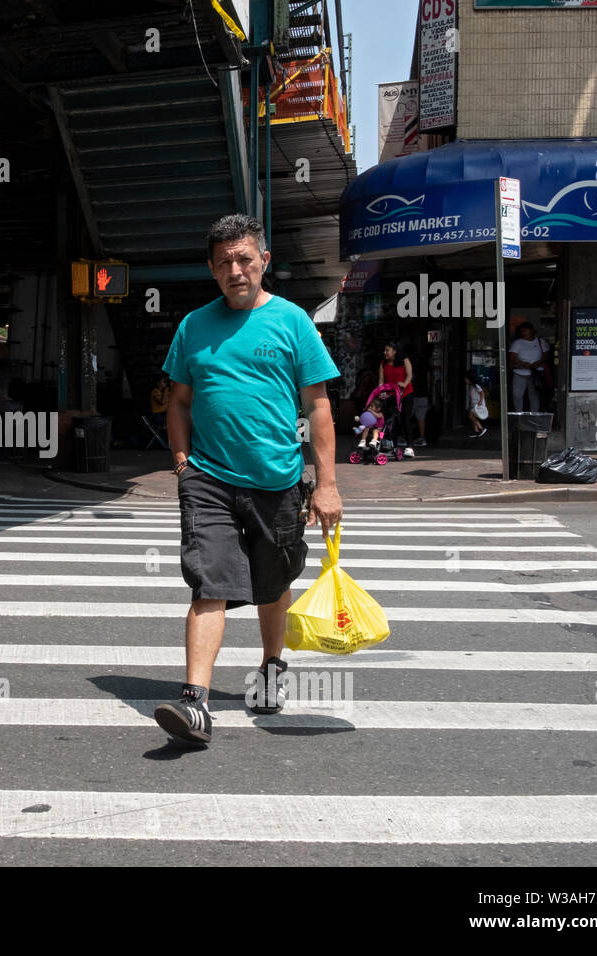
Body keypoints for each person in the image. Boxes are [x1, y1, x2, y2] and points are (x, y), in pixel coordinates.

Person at [154, 213, 342, 746]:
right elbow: (180, 401)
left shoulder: (292, 322)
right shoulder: (193, 326)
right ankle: (196, 706)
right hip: (208, 479)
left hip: (277, 480)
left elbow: (319, 406)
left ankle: (271, 666)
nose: (235, 269)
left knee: (272, 583)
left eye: (244, 258)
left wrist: (326, 484)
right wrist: (183, 462)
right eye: (224, 262)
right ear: (212, 271)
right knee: (209, 581)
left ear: (264, 261)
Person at [378, 342, 414, 457]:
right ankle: (392, 446)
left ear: (395, 351)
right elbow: (381, 380)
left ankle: (409, 446)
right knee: (390, 421)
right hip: (390, 395)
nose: (385, 353)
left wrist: (404, 383)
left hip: (405, 393)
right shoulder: (383, 363)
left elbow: (409, 375)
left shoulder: (404, 360)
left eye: (387, 350)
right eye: (384, 350)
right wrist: (381, 390)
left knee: (405, 419)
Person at [508, 322, 546, 412]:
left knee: (534, 395)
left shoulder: (540, 342)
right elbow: (512, 357)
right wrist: (523, 363)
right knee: (517, 395)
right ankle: (519, 415)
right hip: (520, 372)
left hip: (535, 373)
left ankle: (534, 416)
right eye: (522, 331)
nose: (523, 333)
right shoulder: (518, 343)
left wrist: (538, 362)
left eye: (526, 331)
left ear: (531, 331)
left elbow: (546, 356)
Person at [466, 369, 489, 438]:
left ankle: (481, 429)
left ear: (470, 379)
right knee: (474, 417)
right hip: (475, 404)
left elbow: (482, 393)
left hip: (478, 404)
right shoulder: (471, 386)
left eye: (466, 379)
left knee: (471, 416)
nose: (465, 380)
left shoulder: (476, 386)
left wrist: (480, 401)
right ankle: (476, 431)